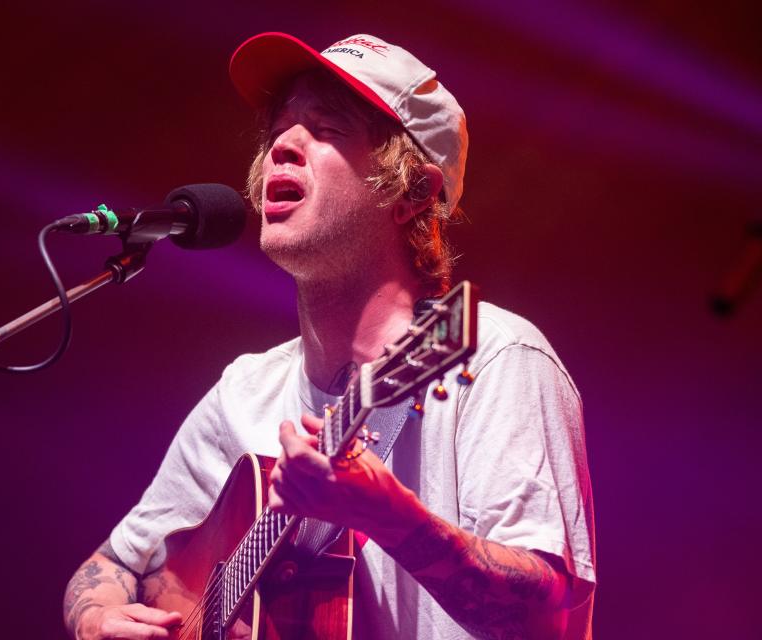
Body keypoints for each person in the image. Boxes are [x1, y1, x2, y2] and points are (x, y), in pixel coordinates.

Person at [63, 32, 596, 640]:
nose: (283, 147)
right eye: (279, 130)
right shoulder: (245, 393)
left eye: (327, 129)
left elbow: (546, 616)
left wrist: (390, 517)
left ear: (411, 192)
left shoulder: (495, 359)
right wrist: (98, 618)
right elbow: (110, 564)